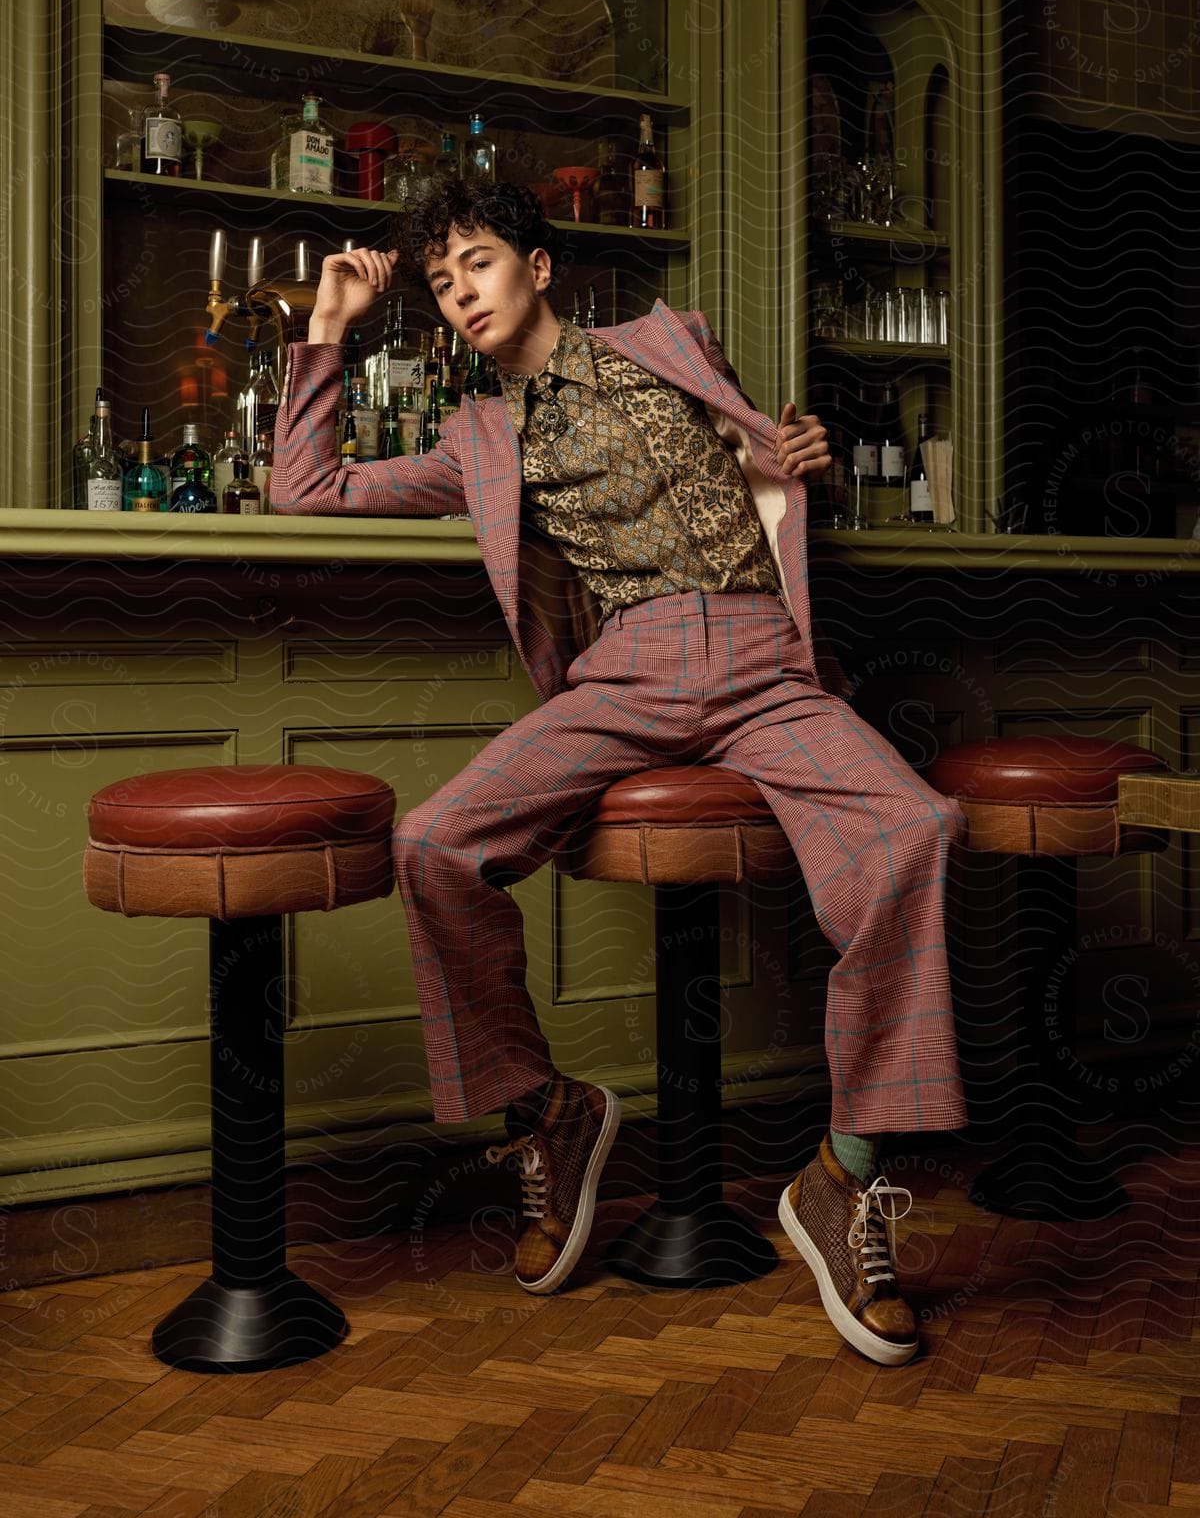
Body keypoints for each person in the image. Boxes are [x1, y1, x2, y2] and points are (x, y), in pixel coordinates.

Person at [271, 181, 967, 1367]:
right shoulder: (479, 438)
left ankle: (844, 1179)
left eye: (476, 266)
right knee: (433, 845)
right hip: (626, 675)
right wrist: (330, 327)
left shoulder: (672, 338)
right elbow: (305, 489)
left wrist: (806, 459)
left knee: (917, 827)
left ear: (539, 265)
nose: (460, 297)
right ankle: (550, 1109)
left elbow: (773, 464)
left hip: (767, 662)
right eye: (440, 288)